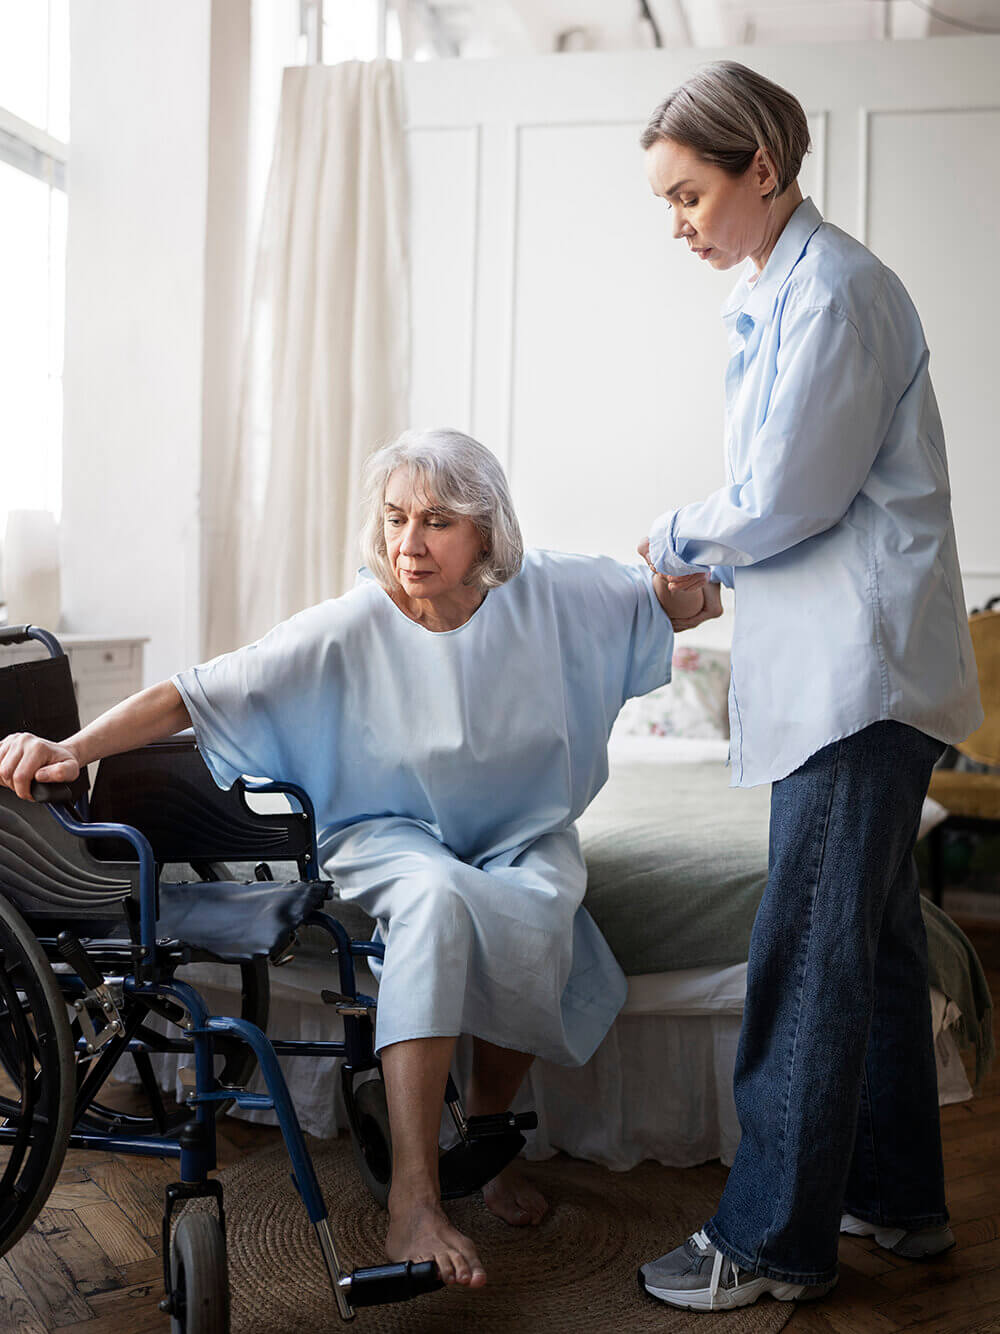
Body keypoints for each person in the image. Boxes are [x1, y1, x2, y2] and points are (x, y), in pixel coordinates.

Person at [0, 427, 708, 1291]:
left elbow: (672, 604)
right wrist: (71, 746)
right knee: (439, 900)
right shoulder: (353, 622)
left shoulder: (556, 591)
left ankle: (483, 1138)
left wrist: (691, 587)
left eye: (439, 521)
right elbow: (195, 692)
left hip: (522, 828)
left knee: (546, 898)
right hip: (390, 829)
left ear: (486, 531)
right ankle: (415, 1194)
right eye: (397, 517)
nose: (410, 543)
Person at [633, 62, 983, 1313]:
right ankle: (896, 1197)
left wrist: (674, 538)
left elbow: (789, 495)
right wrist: (720, 577)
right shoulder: (795, 293)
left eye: (687, 194)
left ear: (761, 171)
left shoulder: (832, 291)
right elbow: (820, 513)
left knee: (805, 953)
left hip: (858, 687)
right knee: (874, 948)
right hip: (853, 669)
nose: (676, 221)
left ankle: (770, 1236)